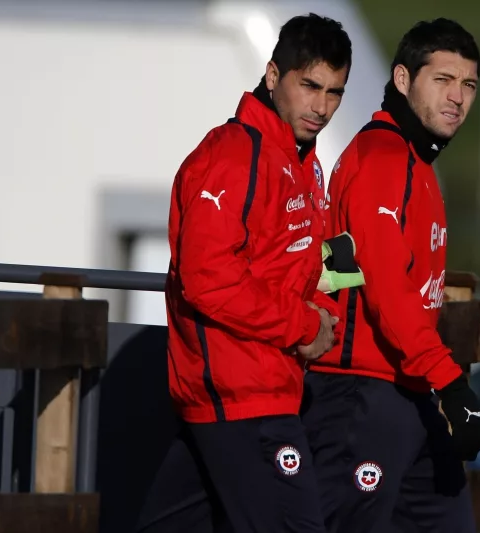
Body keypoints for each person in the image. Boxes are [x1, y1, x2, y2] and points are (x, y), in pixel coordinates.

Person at [135, 13, 353, 533]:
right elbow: (207, 277)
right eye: (310, 87)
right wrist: (302, 327)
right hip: (242, 397)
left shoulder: (305, 161)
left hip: (264, 389)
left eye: (335, 93)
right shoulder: (234, 154)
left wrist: (326, 314)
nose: (322, 107)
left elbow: (319, 259)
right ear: (274, 76)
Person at [301, 18, 480, 533]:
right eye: (442, 79)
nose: (457, 97)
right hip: (358, 395)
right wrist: (452, 383)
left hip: (406, 390)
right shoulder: (382, 160)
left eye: (468, 84)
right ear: (403, 80)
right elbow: (387, 288)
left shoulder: (417, 166)